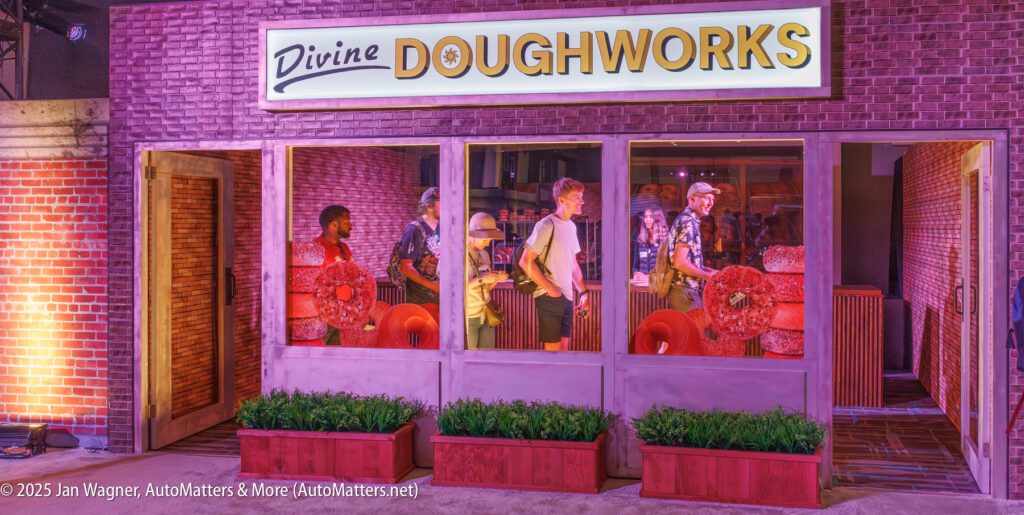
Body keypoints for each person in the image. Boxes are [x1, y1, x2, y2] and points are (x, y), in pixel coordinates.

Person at [519, 177, 590, 352]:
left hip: (567, 296)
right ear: (561, 200)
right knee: (553, 353)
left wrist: (584, 292)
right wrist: (551, 289)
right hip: (550, 296)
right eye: (577, 197)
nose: (582, 201)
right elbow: (525, 261)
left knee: (564, 350)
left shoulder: (571, 226)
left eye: (581, 196)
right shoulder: (546, 225)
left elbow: (573, 264)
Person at [666, 182, 720, 312]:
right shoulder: (688, 222)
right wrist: (705, 276)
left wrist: (707, 271)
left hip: (685, 292)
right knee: (699, 331)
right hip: (684, 292)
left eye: (713, 199)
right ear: (692, 199)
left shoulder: (689, 220)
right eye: (707, 198)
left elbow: (686, 260)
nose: (711, 203)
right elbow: (680, 262)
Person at [466, 212, 508, 349]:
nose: (488, 243)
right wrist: (481, 279)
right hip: (468, 315)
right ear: (473, 234)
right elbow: (451, 288)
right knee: (468, 358)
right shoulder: (457, 253)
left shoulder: (484, 254)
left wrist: (495, 278)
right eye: (485, 240)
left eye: (489, 240)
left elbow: (486, 287)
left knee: (486, 356)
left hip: (486, 312)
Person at [314, 205, 354, 346]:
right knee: (318, 352)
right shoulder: (316, 249)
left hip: (343, 314)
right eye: (347, 222)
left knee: (337, 356)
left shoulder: (345, 248)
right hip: (324, 316)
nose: (351, 225)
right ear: (334, 224)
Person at [399, 187, 441, 305]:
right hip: (420, 299)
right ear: (429, 206)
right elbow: (406, 266)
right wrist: (432, 285)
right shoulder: (414, 230)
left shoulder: (442, 227)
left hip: (439, 297)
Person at [632, 207, 668, 284]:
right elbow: (635, 265)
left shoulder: (665, 241)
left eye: (651, 217)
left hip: (658, 285)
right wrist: (636, 274)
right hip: (641, 284)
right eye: (645, 216)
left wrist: (649, 277)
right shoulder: (640, 239)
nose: (647, 220)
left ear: (658, 219)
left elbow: (667, 269)